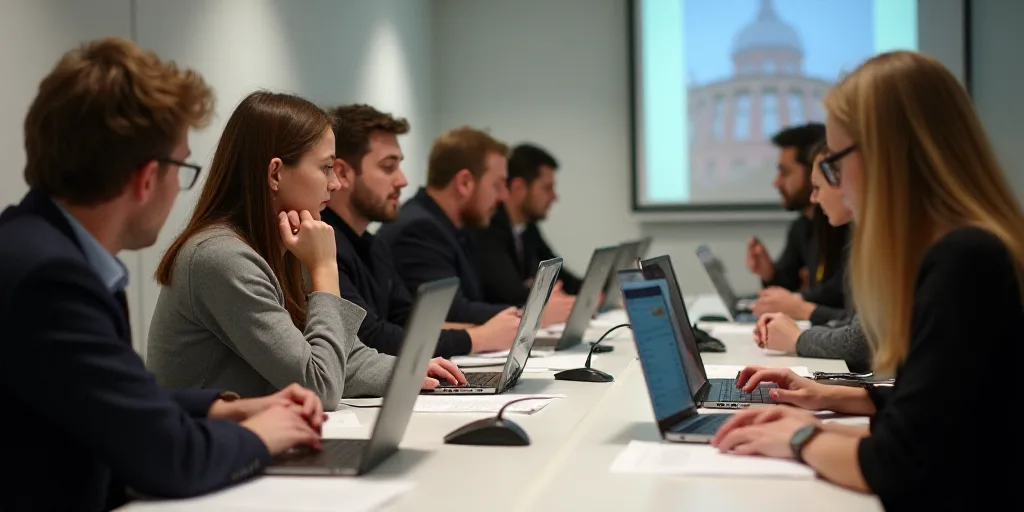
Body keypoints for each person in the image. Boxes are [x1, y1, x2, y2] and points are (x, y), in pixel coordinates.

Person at [0, 37, 327, 511]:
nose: (180, 188)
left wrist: (224, 408)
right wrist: (261, 436)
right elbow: (172, 460)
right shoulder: (50, 280)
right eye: (182, 167)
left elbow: (110, 402)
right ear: (146, 177)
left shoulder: (37, 248)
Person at [711, 51, 1023, 509]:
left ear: (886, 155)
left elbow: (900, 462)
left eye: (834, 164)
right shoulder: (966, 248)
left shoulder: (965, 261)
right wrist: (828, 399)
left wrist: (799, 438)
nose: (831, 185)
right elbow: (942, 406)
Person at [148, 92, 465, 409]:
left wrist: (407, 370)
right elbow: (319, 386)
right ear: (275, 174)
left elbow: (342, 360)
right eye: (326, 168)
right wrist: (325, 270)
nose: (335, 184)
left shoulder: (284, 243)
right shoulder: (220, 258)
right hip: (211, 454)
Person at [322, 104, 520, 357]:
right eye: (388, 167)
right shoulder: (322, 243)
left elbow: (408, 321)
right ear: (342, 173)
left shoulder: (372, 244)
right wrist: (477, 337)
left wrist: (488, 331)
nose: (402, 180)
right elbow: (370, 337)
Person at [377, 127, 573, 327]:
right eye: (497, 185)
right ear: (465, 183)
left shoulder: (459, 227)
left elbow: (484, 299)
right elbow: (451, 312)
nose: (504, 196)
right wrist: (534, 313)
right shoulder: (418, 229)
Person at [753, 145, 870, 372]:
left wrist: (798, 337)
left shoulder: (864, 237)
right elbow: (856, 325)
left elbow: (862, 343)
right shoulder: (804, 227)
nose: (813, 198)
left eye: (817, 186)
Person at [473, 143, 582, 305]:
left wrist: (592, 291)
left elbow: (558, 273)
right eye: (547, 188)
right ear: (519, 187)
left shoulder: (528, 228)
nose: (554, 197)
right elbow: (511, 294)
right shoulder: (488, 226)